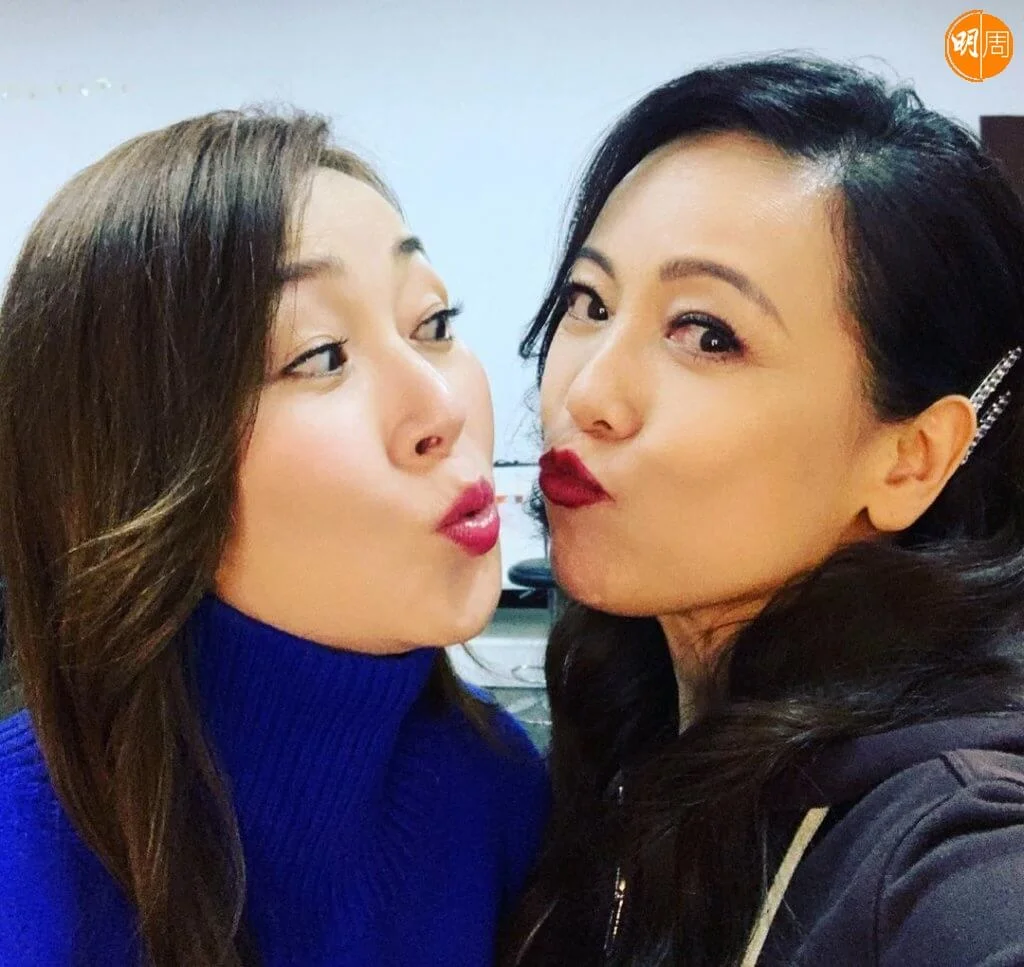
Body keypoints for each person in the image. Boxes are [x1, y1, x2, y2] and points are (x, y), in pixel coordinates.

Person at [502, 57, 1024, 966]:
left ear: (911, 458)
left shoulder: (942, 837)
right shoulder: (622, 724)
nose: (585, 393)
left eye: (707, 334)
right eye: (590, 302)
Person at [0, 110, 548, 967]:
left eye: (434, 324)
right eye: (322, 355)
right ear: (142, 466)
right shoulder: (25, 868)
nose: (442, 407)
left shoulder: (496, 788)